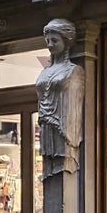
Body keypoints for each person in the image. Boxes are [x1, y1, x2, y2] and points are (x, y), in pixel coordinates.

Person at [35, 18, 84, 182]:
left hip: (63, 129)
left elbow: (74, 107)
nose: (49, 45)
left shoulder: (74, 70)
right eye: (47, 41)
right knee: (50, 165)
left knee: (63, 164)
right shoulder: (45, 72)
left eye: (54, 40)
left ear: (67, 41)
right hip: (46, 127)